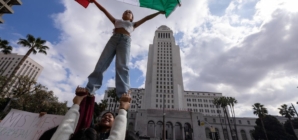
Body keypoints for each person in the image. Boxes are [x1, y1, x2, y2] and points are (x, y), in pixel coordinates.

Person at [85, 0, 164, 98]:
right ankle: (90, 89)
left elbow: (147, 18)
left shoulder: (133, 24)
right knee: (102, 63)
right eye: (125, 11)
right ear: (122, 15)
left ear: (132, 18)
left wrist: (159, 12)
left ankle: (123, 93)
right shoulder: (116, 21)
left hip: (125, 41)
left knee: (122, 66)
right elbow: (104, 10)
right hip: (113, 40)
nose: (127, 12)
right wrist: (95, 2)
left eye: (130, 12)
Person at [50, 91, 132, 140]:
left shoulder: (126, 136)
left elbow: (64, 130)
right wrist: (123, 110)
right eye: (104, 116)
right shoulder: (90, 129)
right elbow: (117, 136)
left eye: (110, 116)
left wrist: (76, 104)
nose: (106, 117)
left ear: (115, 122)